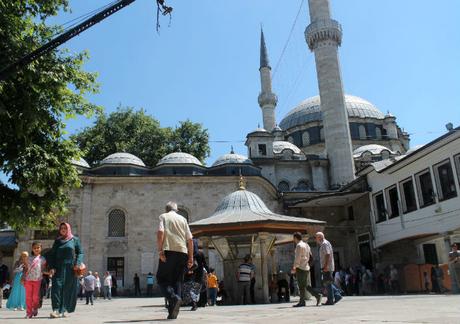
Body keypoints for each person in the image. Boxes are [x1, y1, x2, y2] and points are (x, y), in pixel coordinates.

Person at [156, 201, 194, 320]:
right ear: (176, 210)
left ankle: (174, 298)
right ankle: (172, 312)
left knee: (162, 279)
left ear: (167, 209)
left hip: (169, 250)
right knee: (177, 281)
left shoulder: (163, 216)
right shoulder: (183, 219)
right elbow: (190, 239)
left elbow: (160, 232)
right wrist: (191, 257)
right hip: (183, 252)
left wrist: (160, 250)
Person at [45, 222, 84, 318]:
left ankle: (65, 309)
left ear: (68, 229)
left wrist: (77, 264)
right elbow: (52, 255)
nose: (63, 230)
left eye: (65, 228)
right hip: (58, 267)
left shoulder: (75, 240)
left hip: (71, 267)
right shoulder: (57, 241)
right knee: (56, 288)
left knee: (68, 288)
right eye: (61, 228)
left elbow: (80, 253)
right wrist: (52, 267)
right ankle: (56, 310)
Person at [291, 232, 322, 307]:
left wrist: (294, 267)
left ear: (295, 238)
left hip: (301, 268)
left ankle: (315, 296)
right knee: (305, 285)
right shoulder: (306, 245)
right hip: (306, 267)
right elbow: (310, 256)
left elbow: (297, 258)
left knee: (302, 286)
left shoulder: (298, 245)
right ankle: (304, 301)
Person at [316, 232, 342, 305]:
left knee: (327, 283)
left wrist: (326, 266)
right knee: (327, 282)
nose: (316, 239)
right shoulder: (324, 243)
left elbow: (328, 254)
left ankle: (331, 299)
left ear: (320, 237)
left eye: (316, 237)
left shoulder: (324, 244)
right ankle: (337, 295)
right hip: (326, 266)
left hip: (327, 267)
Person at [24, 242, 47, 318]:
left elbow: (43, 270)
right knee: (28, 297)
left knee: (35, 297)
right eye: (35, 248)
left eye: (38, 247)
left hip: (38, 280)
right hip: (28, 279)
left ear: (41, 248)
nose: (36, 249)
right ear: (32, 249)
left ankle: (35, 308)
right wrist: (22, 277)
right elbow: (25, 269)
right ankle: (29, 313)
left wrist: (49, 273)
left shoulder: (43, 259)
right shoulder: (28, 258)